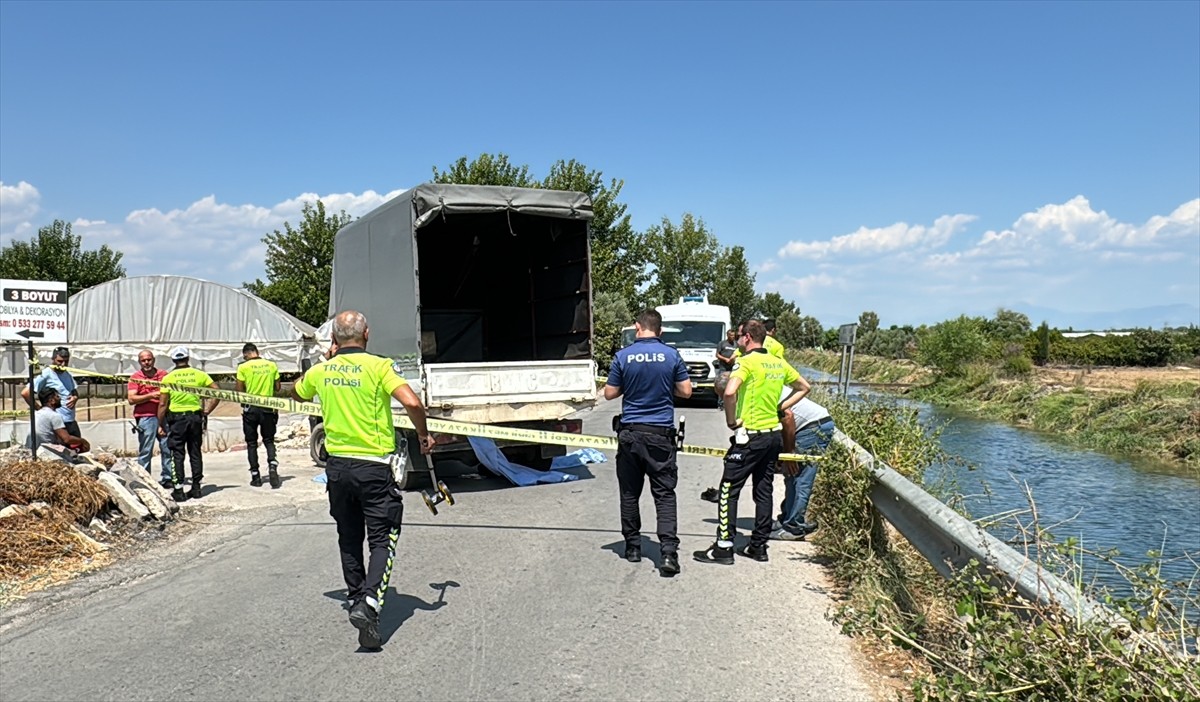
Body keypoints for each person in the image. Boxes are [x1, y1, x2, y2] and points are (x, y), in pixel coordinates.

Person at [293, 310, 435, 650]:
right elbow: (412, 402)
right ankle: (370, 601)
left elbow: (298, 393)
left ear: (334, 340)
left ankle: (357, 598)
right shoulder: (379, 367)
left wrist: (327, 361)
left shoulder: (321, 370)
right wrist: (423, 434)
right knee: (383, 538)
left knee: (348, 536)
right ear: (367, 334)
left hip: (338, 468)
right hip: (374, 467)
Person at [694, 319, 809, 565]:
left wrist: (731, 420)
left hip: (749, 436)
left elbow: (729, 391)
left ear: (747, 337)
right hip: (773, 436)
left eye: (739, 336)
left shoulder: (745, 362)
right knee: (763, 490)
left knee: (727, 490)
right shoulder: (778, 363)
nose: (737, 340)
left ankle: (723, 547)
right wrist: (781, 406)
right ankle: (758, 546)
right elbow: (804, 386)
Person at [604, 309, 692, 576]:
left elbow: (609, 394)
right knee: (664, 495)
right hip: (660, 435)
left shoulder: (623, 356)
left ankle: (632, 547)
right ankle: (668, 554)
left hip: (631, 434)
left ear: (637, 327)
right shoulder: (672, 355)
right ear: (660, 330)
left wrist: (628, 384)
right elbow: (686, 391)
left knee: (630, 493)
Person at [156, 347, 220, 503]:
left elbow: (163, 404)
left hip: (177, 420)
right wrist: (206, 411)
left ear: (173, 360)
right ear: (188, 358)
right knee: (195, 452)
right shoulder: (199, 375)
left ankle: (178, 489)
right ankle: (197, 487)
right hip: (195, 418)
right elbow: (217, 392)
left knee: (177, 454)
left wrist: (160, 423)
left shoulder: (168, 378)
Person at [771, 389, 834, 541]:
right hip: (810, 425)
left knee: (800, 479)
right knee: (791, 475)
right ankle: (787, 517)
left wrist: (790, 454)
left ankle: (794, 527)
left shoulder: (759, 390)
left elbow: (788, 417)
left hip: (812, 428)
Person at [236, 343, 282, 489]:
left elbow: (239, 389)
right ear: (257, 351)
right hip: (268, 408)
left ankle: (255, 476)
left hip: (251, 409)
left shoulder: (243, 367)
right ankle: (273, 466)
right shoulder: (271, 365)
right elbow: (278, 387)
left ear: (245, 355)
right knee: (269, 440)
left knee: (252, 443)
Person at [127, 349, 174, 487]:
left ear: (153, 360)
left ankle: (168, 478)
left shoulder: (163, 375)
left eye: (149, 359)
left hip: (164, 415)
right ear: (139, 362)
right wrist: (151, 396)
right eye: (143, 360)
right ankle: (144, 479)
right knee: (146, 450)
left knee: (167, 448)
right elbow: (131, 398)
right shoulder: (135, 377)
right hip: (146, 417)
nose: (146, 362)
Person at [21, 346, 80, 437]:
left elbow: (73, 390)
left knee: (79, 449)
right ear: (53, 359)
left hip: (70, 421)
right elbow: (25, 393)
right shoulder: (46, 374)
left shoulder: (67, 374)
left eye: (66, 361)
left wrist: (75, 397)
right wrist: (40, 409)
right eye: (60, 361)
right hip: (57, 423)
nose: (63, 364)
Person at [29, 387, 90, 455]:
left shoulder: (36, 413)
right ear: (52, 400)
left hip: (33, 450)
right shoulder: (54, 415)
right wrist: (83, 441)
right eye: (57, 396)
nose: (60, 398)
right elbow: (67, 439)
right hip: (45, 452)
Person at [714, 328, 738, 410]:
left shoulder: (736, 344)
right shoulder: (722, 343)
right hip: (723, 367)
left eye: (734, 336)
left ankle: (731, 404)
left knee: (732, 385)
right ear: (727, 335)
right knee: (721, 385)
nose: (733, 337)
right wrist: (725, 359)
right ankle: (721, 404)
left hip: (733, 368)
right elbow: (717, 355)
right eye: (731, 335)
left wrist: (733, 360)